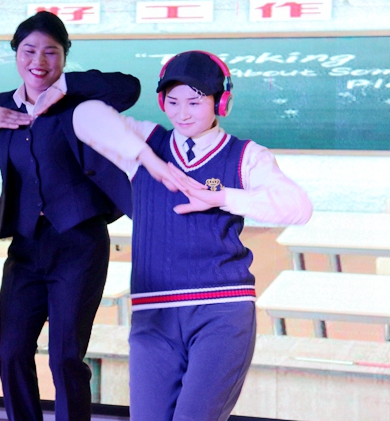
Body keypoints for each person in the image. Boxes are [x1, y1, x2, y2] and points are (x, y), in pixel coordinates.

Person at [72, 50, 313, 421]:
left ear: (221, 101)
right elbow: (84, 115)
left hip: (222, 311)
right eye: (173, 102)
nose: (182, 113)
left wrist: (222, 197)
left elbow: (298, 207)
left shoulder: (247, 156)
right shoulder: (144, 143)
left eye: (195, 102)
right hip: (153, 314)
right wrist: (149, 160)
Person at [0, 11, 141, 421]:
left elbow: (129, 87)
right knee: (13, 353)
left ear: (65, 56)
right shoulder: (2, 106)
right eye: (29, 50)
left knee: (65, 358)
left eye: (52, 52)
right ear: (16, 54)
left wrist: (64, 88)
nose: (39, 61)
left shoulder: (82, 101)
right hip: (27, 247)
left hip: (79, 245)